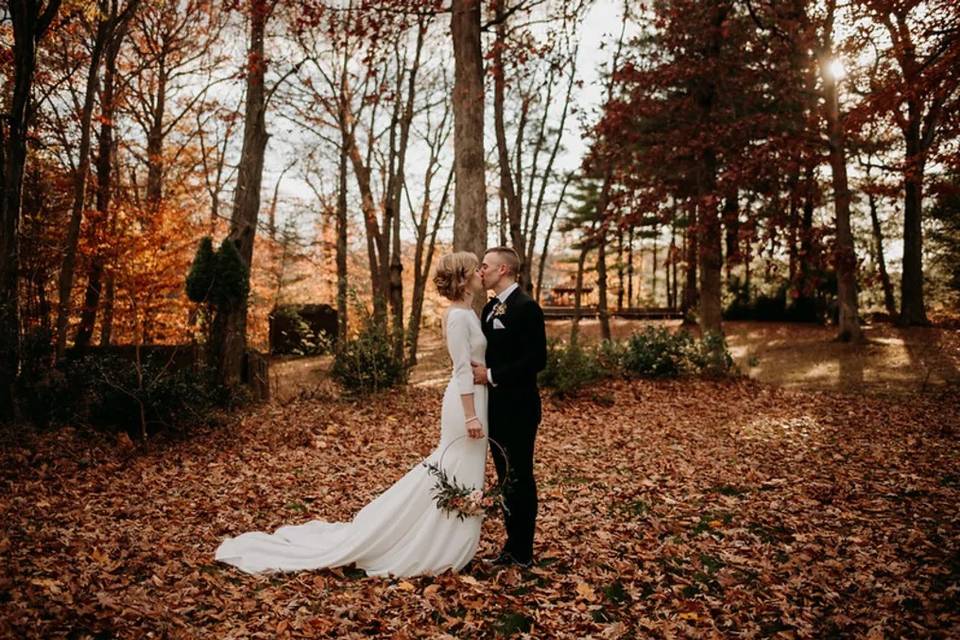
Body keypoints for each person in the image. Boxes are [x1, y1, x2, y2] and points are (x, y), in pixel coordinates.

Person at [214, 251, 489, 577]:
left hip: (476, 397)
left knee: (462, 470)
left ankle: (447, 539)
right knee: (453, 469)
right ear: (464, 276)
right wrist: (471, 416)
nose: (480, 273)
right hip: (464, 404)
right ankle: (426, 542)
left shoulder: (470, 312)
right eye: (475, 268)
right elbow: (460, 371)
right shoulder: (457, 316)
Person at [472, 246, 547, 568]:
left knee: (519, 477)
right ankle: (511, 547)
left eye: (485, 266)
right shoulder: (490, 309)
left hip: (519, 407)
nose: (481, 271)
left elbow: (536, 360)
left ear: (503, 269)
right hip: (495, 408)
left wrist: (489, 375)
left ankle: (522, 552)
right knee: (505, 478)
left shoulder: (526, 307)